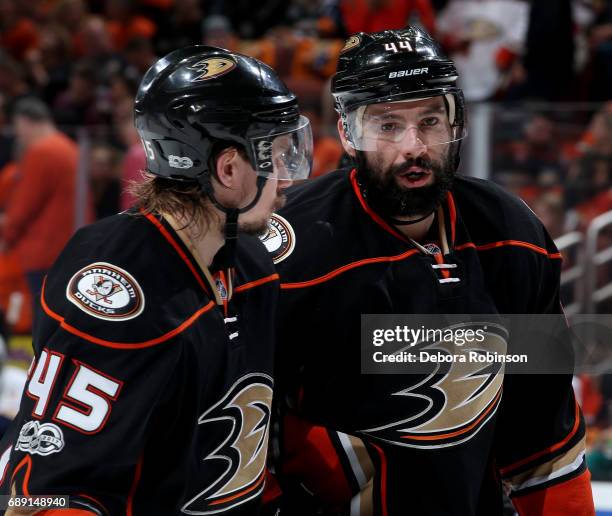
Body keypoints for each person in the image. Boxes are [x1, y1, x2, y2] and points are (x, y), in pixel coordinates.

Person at [263, 28, 594, 515]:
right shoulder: (291, 251)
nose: (413, 147)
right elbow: (241, 425)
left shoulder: (514, 236)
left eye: (431, 120)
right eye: (388, 125)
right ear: (348, 134)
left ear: (456, 121)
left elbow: (541, 427)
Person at [0, 45, 312, 515]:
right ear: (228, 168)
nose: (288, 179)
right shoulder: (119, 284)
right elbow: (42, 492)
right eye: (278, 156)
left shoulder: (249, 262)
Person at [0, 97, 81, 301]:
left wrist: (7, 238)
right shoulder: (70, 147)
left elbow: (23, 206)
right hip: (70, 245)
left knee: (42, 316)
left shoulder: (41, 152)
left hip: (43, 250)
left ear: (24, 122)